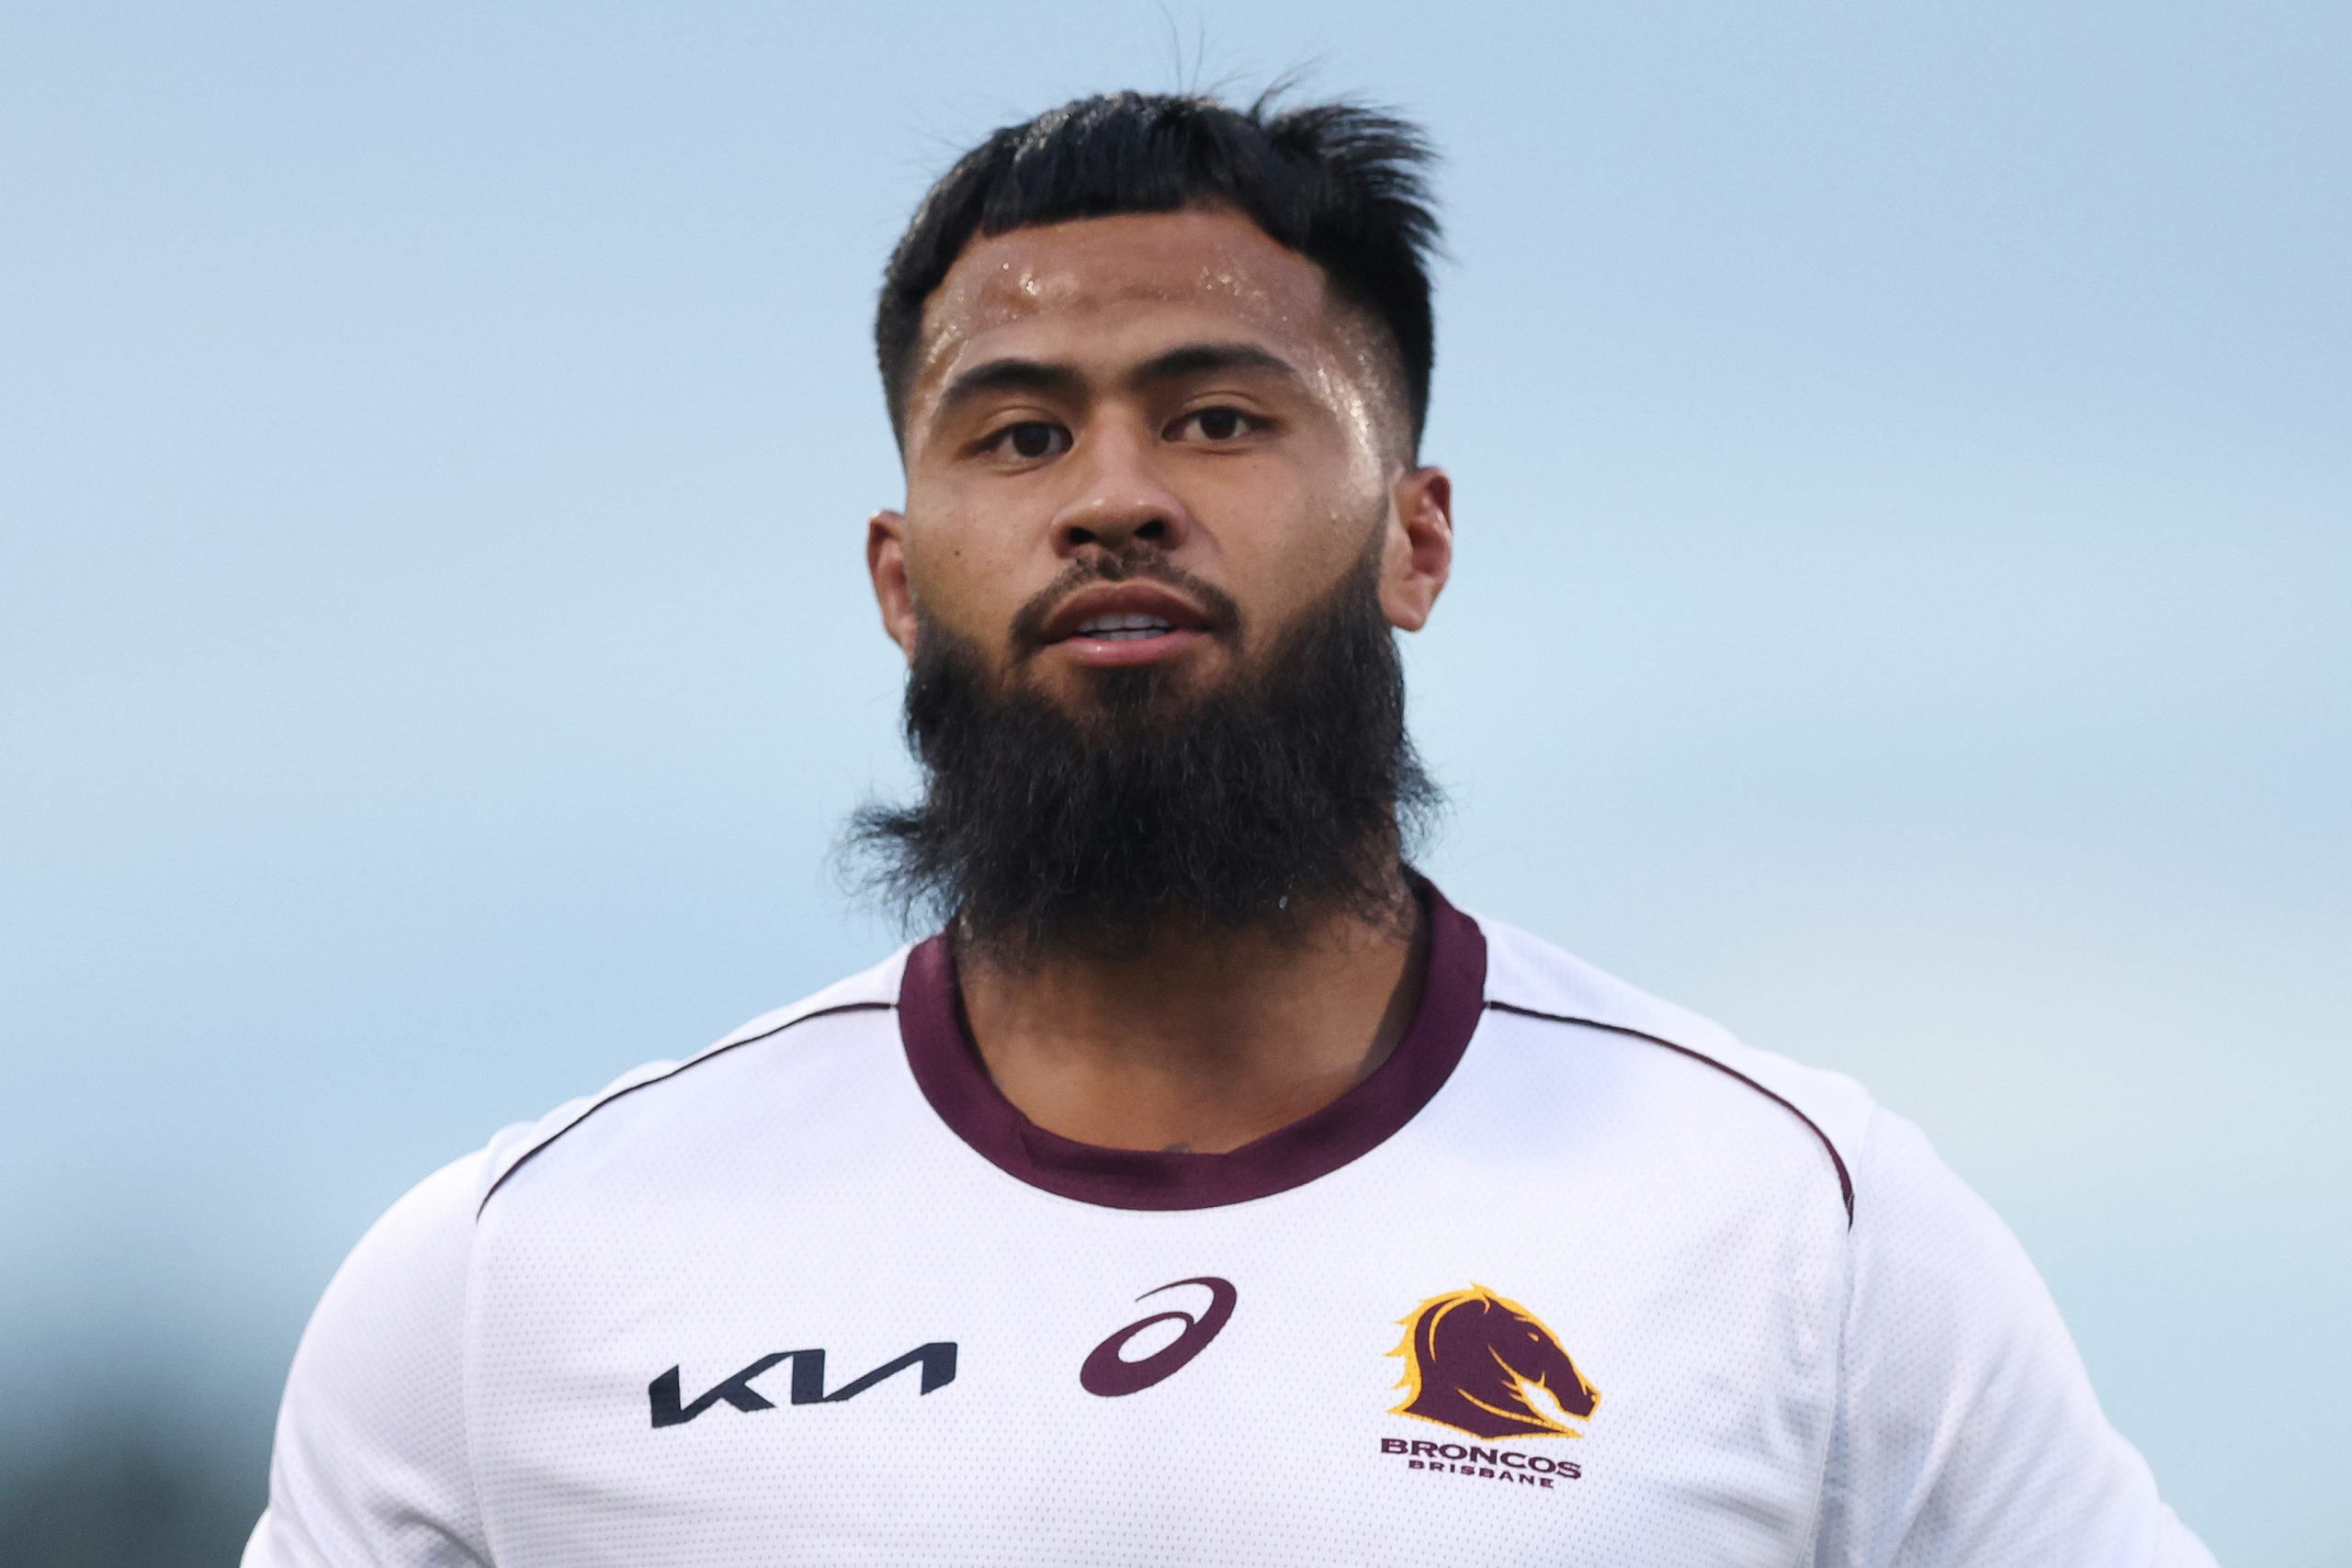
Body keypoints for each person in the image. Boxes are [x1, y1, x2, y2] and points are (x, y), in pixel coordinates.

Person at [243, 90, 2212, 1566]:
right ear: (897, 574)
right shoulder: (521, 1280)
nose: (1110, 496)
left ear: (1414, 539)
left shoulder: (1796, 1223)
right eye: (1017, 433)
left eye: (1216, 418)